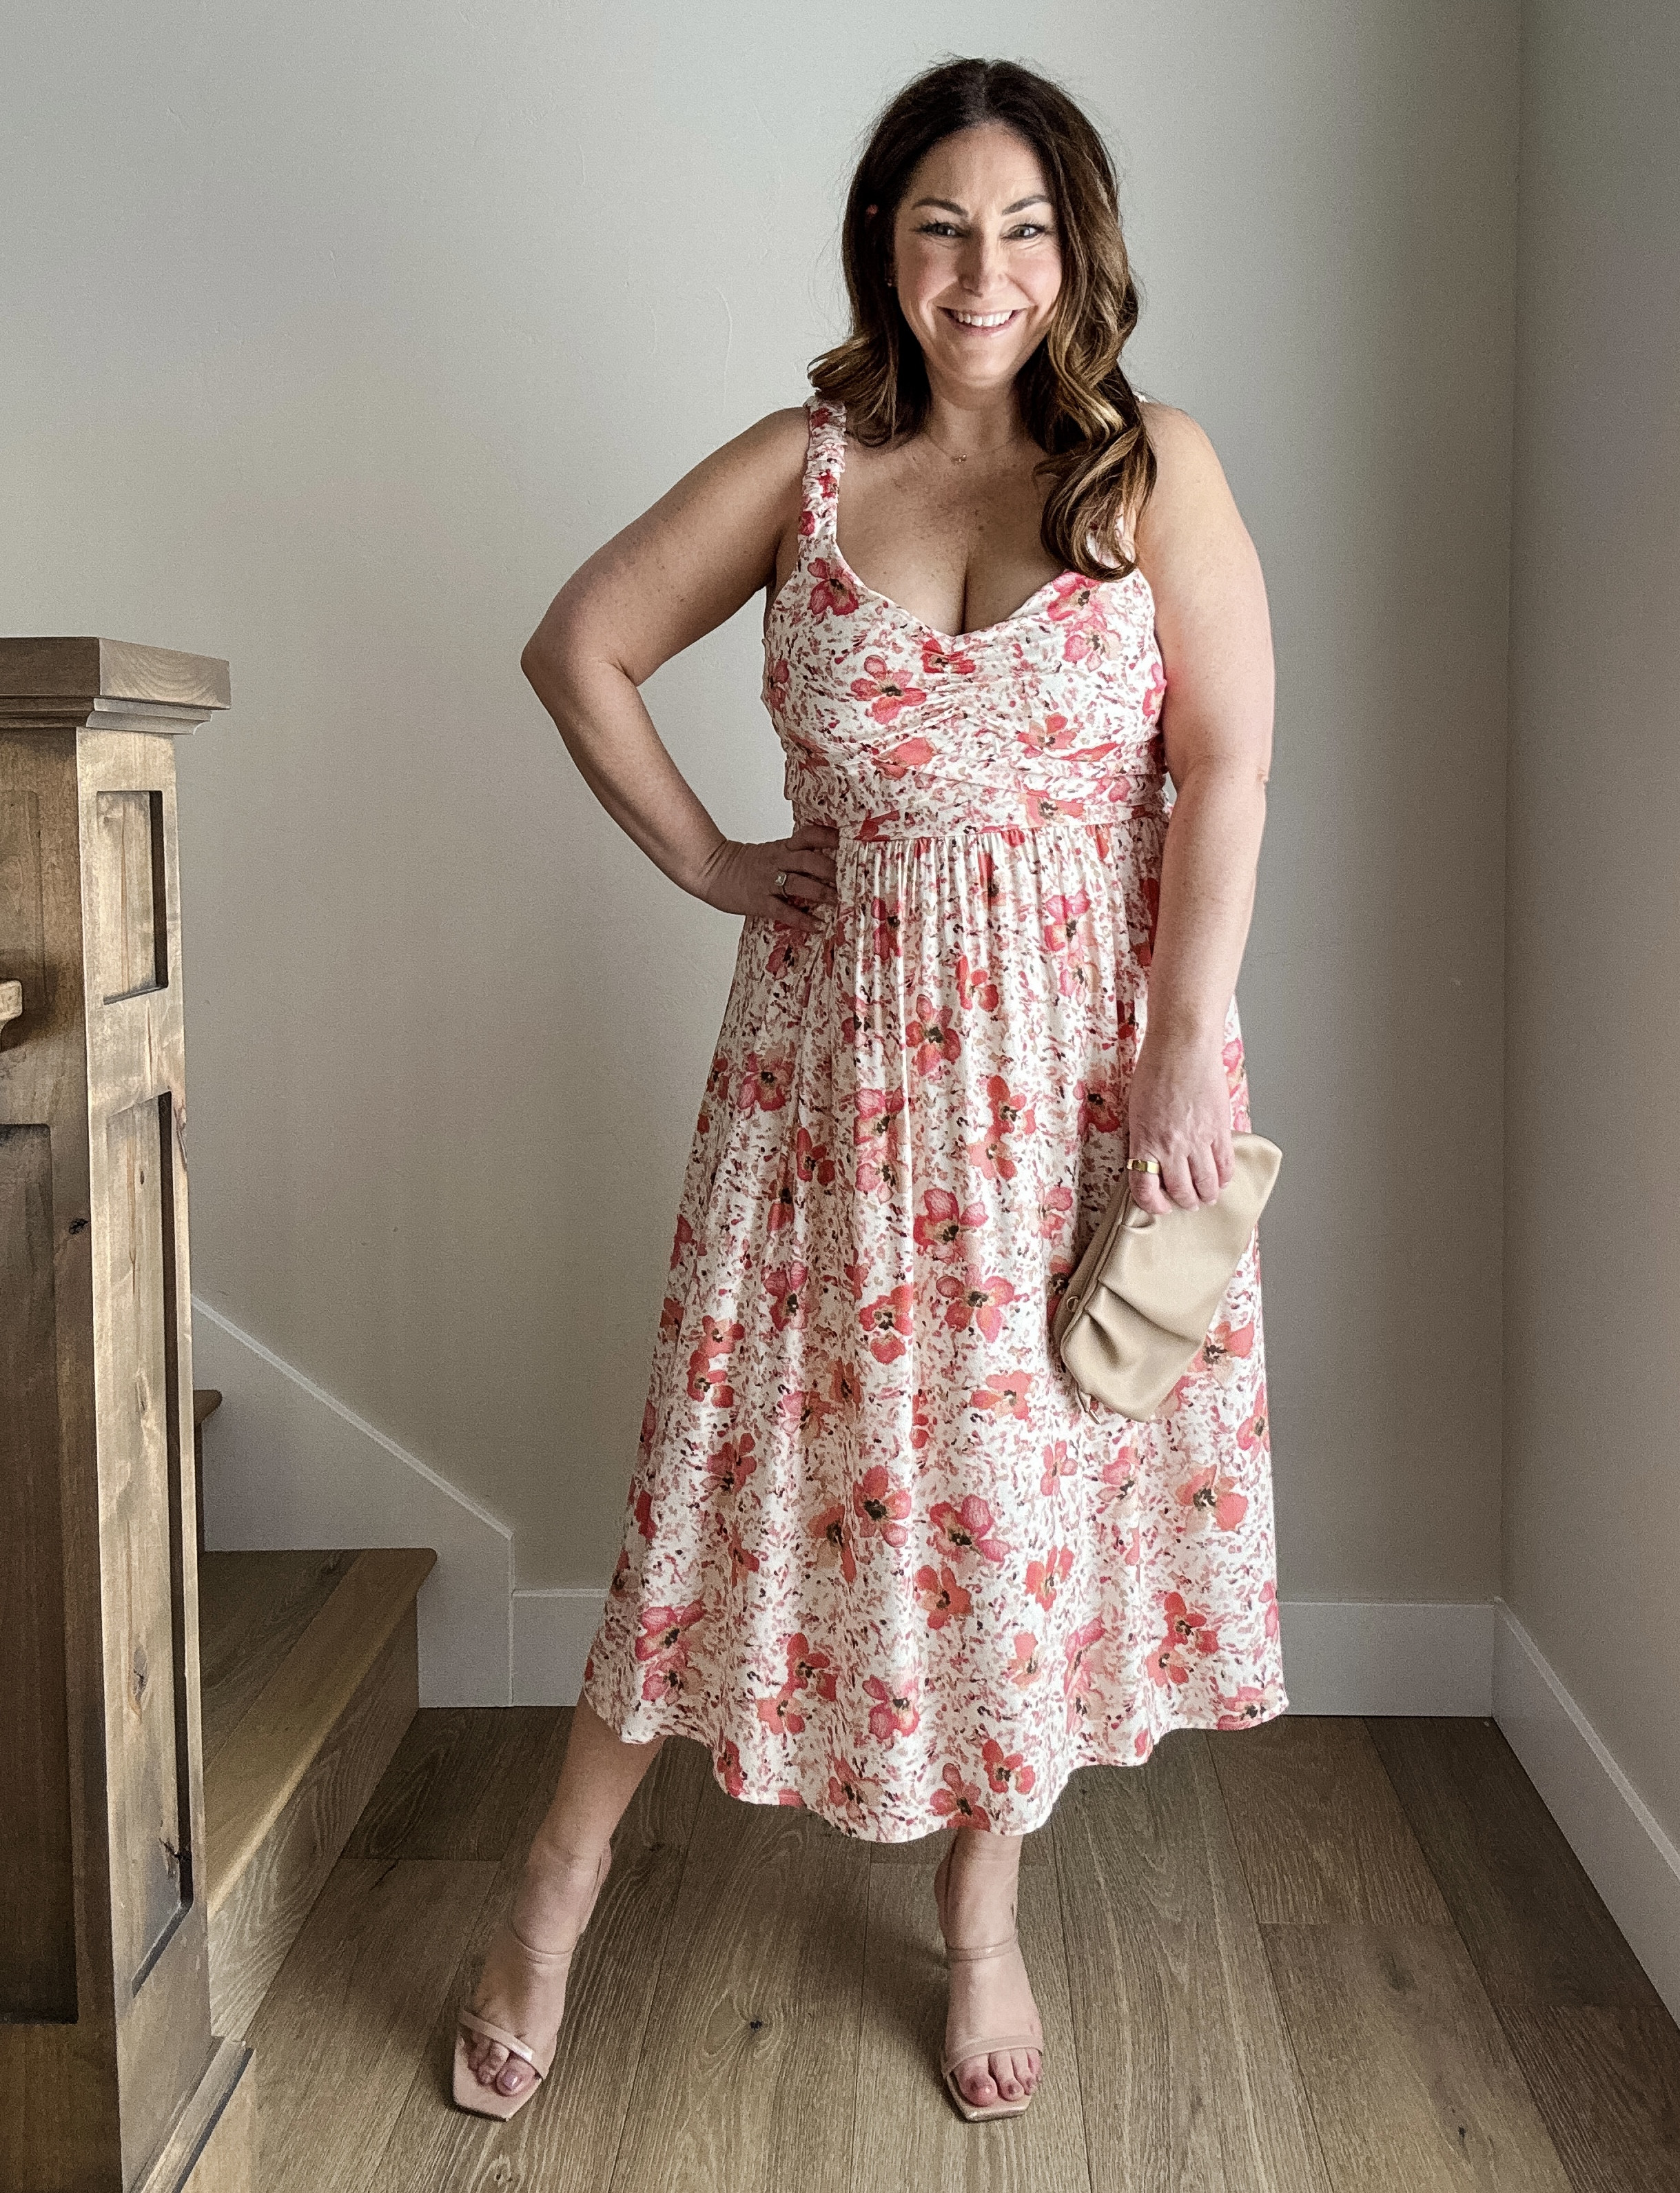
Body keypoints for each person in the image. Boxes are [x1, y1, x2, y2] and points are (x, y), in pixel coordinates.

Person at [454, 54, 1285, 2126]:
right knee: (722, 1476)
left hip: (1080, 1071)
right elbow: (579, 646)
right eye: (938, 224)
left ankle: (981, 1919)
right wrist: (718, 861)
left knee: (1023, 1502)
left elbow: (1227, 766)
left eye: (1018, 226)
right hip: (832, 1087)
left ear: (1077, 246)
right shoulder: (805, 465)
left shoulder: (1148, 463)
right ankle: (550, 1891)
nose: (979, 267)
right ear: (882, 248)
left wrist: (1183, 1036)